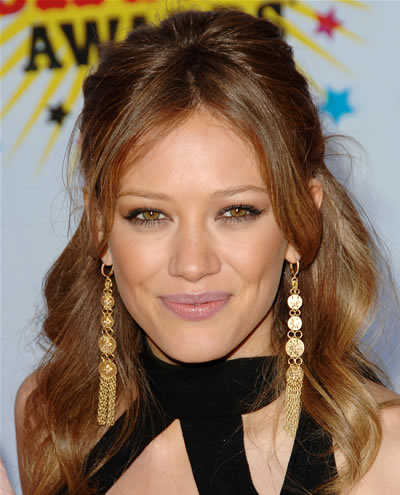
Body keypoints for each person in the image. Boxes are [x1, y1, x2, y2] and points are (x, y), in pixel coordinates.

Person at [14, 8, 400, 495]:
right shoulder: (52, 417)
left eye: (236, 212)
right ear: (99, 227)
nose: (192, 264)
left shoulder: (384, 454)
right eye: (149, 215)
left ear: (300, 222)